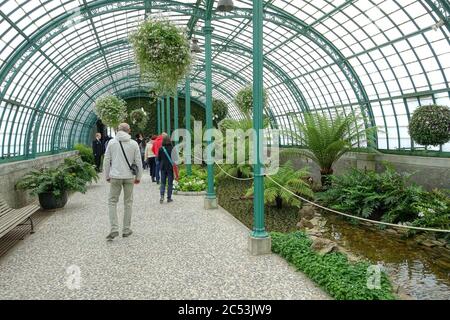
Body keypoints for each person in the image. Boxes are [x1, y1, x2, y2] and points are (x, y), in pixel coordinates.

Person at [103, 123, 143, 241]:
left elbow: (106, 160)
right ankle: (126, 229)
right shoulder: (134, 143)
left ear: (118, 130)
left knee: (112, 202)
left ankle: (114, 229)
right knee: (128, 203)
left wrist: (107, 175)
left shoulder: (112, 142)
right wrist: (138, 177)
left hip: (115, 176)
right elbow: (138, 161)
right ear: (129, 130)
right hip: (129, 176)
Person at [158, 134, 176, 204]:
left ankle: (162, 196)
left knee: (163, 182)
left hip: (163, 167)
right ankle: (169, 198)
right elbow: (176, 158)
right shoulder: (172, 148)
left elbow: (159, 159)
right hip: (170, 167)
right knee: (170, 183)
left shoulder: (161, 149)